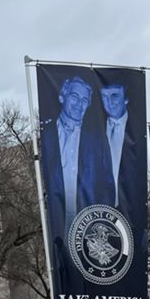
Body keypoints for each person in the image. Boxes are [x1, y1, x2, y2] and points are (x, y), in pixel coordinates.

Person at [41, 76, 105, 234]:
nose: (79, 104)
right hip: (53, 224)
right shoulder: (45, 136)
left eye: (84, 100)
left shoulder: (97, 142)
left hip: (88, 227)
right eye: (74, 96)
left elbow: (106, 186)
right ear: (62, 97)